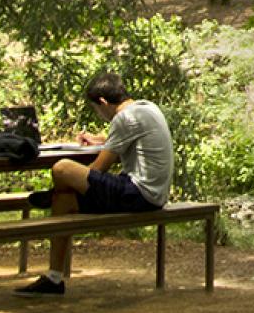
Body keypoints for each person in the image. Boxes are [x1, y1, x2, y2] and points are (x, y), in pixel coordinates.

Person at [14, 73, 173, 297]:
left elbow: (98, 170)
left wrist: (74, 175)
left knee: (62, 169)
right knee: (64, 199)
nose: (100, 115)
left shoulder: (123, 118)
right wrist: (100, 140)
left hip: (138, 193)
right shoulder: (146, 108)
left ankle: (51, 194)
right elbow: (125, 139)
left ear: (103, 103)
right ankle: (54, 279)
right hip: (151, 194)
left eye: (97, 110)